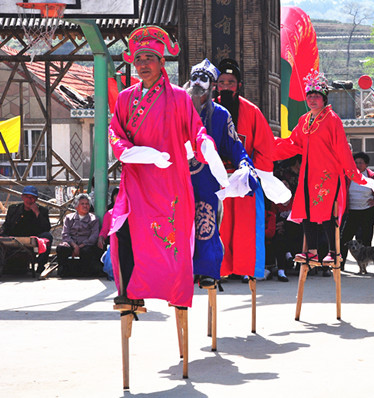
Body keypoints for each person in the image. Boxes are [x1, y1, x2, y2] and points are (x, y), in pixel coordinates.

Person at [108, 26, 220, 306]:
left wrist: (204, 145)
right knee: (122, 230)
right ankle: (129, 295)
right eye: (139, 59)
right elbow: (115, 133)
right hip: (135, 179)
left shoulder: (179, 98)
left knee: (170, 242)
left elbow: (196, 130)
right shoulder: (125, 98)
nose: (143, 64)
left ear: (161, 63)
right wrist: (132, 153)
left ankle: (175, 293)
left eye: (150, 58)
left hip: (169, 183)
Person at [273, 70, 374, 267]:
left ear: (324, 99)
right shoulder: (304, 120)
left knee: (327, 214)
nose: (313, 100)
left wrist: (355, 175)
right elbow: (293, 144)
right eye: (310, 96)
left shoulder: (332, 120)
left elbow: (342, 149)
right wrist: (269, 147)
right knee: (306, 211)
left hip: (327, 174)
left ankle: (334, 252)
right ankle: (312, 252)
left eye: (317, 96)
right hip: (308, 174)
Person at [183, 58, 257, 287]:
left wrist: (245, 164)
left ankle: (207, 271)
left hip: (206, 180)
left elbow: (235, 146)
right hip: (178, 178)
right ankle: (179, 270)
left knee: (207, 224)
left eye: (203, 78)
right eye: (194, 77)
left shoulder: (221, 115)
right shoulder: (176, 109)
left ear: (213, 85)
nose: (197, 82)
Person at [215, 58, 274, 281]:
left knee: (245, 231)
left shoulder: (252, 112)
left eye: (231, 82)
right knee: (218, 227)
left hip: (243, 181)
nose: (227, 86)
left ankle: (246, 270)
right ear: (215, 85)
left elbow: (264, 147)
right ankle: (216, 270)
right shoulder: (206, 109)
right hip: (216, 181)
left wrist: (253, 174)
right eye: (222, 82)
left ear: (239, 85)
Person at [340, 152, 374, 268]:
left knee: (366, 238)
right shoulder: (348, 175)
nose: (358, 165)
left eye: (361, 163)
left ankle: (364, 265)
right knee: (344, 238)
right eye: (356, 163)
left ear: (366, 164)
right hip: (351, 211)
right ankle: (340, 264)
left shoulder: (371, 176)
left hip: (367, 211)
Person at [0, 185, 53, 275]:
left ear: (36, 199)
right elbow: (7, 225)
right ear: (22, 197)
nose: (30, 200)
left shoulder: (42, 210)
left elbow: (46, 228)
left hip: (34, 236)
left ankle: (40, 265)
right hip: (15, 235)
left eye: (33, 198)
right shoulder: (14, 209)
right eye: (27, 197)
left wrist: (37, 213)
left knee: (47, 236)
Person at [56, 194, 102, 277]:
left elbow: (93, 236)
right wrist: (74, 246)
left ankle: (83, 272)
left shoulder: (94, 219)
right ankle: (63, 271)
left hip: (85, 244)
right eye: (82, 204)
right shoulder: (69, 217)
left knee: (87, 251)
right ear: (76, 206)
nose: (85, 206)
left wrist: (80, 246)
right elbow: (65, 234)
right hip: (71, 244)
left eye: (87, 204)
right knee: (61, 248)